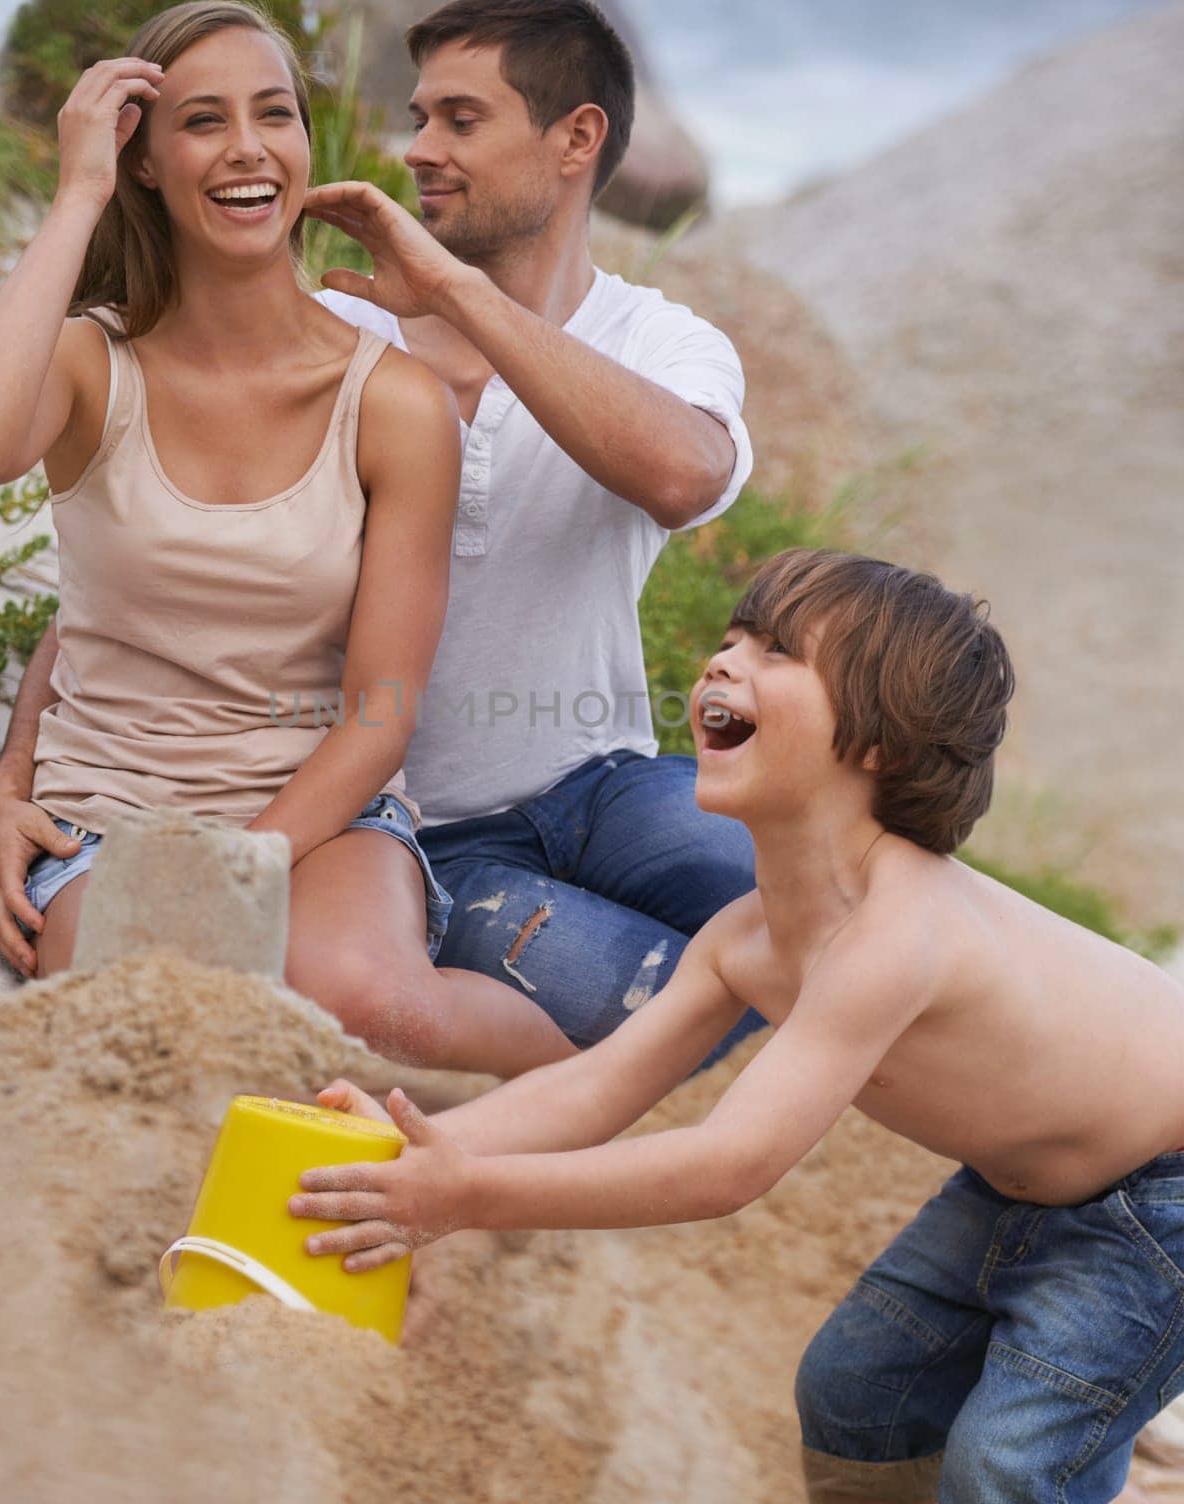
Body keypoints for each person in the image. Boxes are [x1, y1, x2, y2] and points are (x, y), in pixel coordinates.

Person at [291, 548, 1184, 1503]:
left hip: (1164, 1194)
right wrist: (406, 1151)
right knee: (856, 1399)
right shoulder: (744, 936)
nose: (723, 663)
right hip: (1025, 1185)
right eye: (730, 640)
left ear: (881, 744)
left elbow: (728, 1166)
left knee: (1009, 1463)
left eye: (779, 653)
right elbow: (594, 1087)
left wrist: (466, 1194)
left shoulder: (897, 933)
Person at [0, 0, 764, 1064]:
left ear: (575, 138)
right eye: (418, 118)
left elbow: (681, 474)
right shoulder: (333, 323)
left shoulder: (659, 341)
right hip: (429, 830)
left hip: (602, 783)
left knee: (833, 907)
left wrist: (451, 292)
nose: (419, 150)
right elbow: (153, 584)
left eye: (460, 119)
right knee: (701, 1008)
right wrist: (12, 778)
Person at [0, 0, 578, 1077]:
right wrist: (77, 189)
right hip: (105, 820)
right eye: (200, 121)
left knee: (377, 1009)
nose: (247, 149)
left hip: (323, 813)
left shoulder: (394, 400)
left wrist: (239, 869)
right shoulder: (93, 365)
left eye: (274, 113)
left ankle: (621, 1101)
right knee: (141, 1018)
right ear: (144, 160)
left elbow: (382, 712)